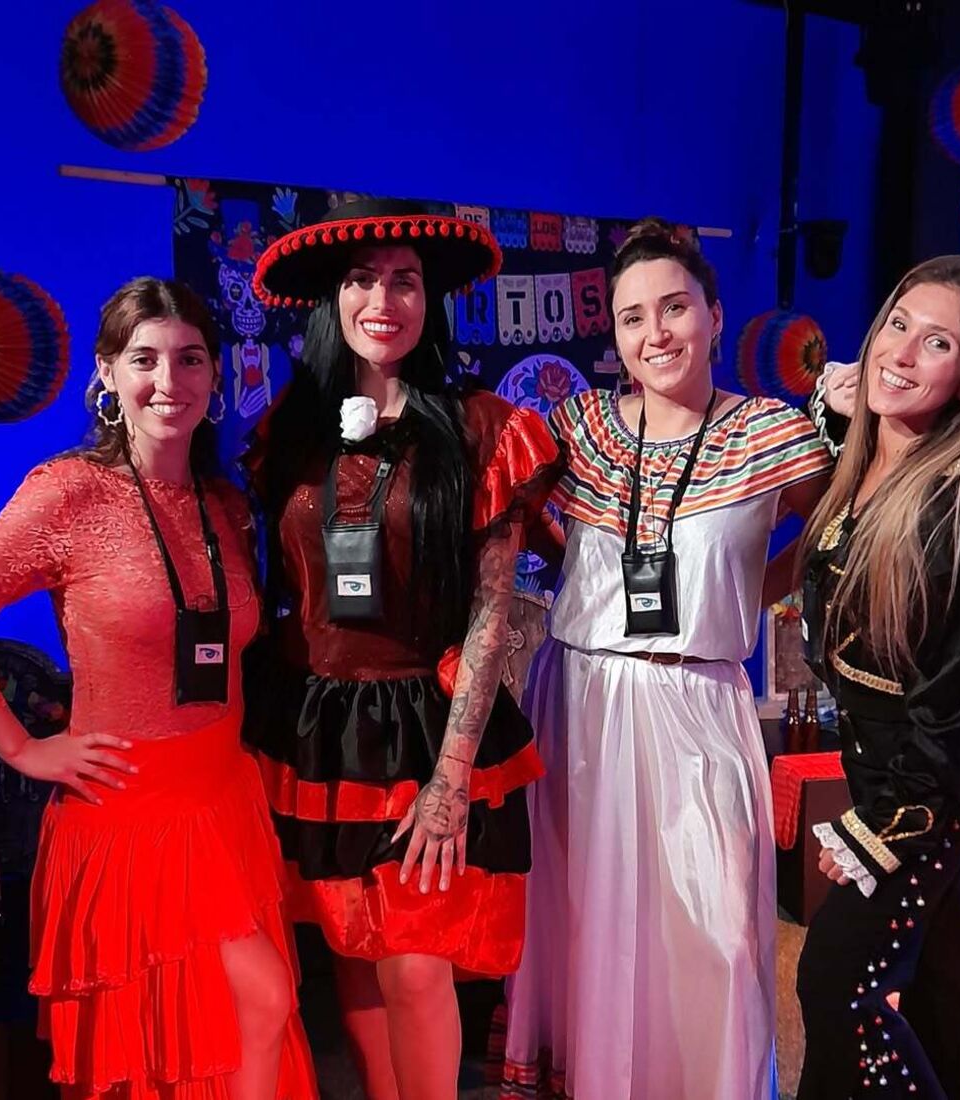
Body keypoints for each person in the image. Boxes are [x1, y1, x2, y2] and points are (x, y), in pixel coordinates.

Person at [501, 218, 833, 1100]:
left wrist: (750, 592)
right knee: (589, 922)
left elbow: (840, 528)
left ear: (715, 316)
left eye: (675, 308)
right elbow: (511, 516)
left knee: (715, 935)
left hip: (699, 702)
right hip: (579, 699)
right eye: (632, 316)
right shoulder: (579, 427)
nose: (655, 333)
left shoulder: (768, 434)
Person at [0, 278, 318, 1100]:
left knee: (208, 1038)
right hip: (128, 815)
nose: (168, 381)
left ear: (215, 374)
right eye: (145, 359)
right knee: (257, 1002)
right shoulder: (67, 494)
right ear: (107, 373)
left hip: (223, 802)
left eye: (189, 359)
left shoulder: (224, 504)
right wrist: (21, 747)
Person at [243, 198, 561, 1100]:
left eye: (405, 281)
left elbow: (493, 612)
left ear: (430, 300)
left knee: (416, 965)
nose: (383, 300)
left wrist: (452, 777)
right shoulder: (290, 429)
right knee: (351, 943)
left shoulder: (481, 427)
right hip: (315, 724)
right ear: (333, 300)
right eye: (361, 280)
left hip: (429, 725)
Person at [795, 254, 960, 1099]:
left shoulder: (948, 526)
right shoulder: (866, 464)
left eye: (938, 343)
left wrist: (880, 830)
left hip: (932, 781)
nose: (902, 353)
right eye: (898, 324)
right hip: (892, 764)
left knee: (836, 984)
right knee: (941, 988)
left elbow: (944, 724)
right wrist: (835, 410)